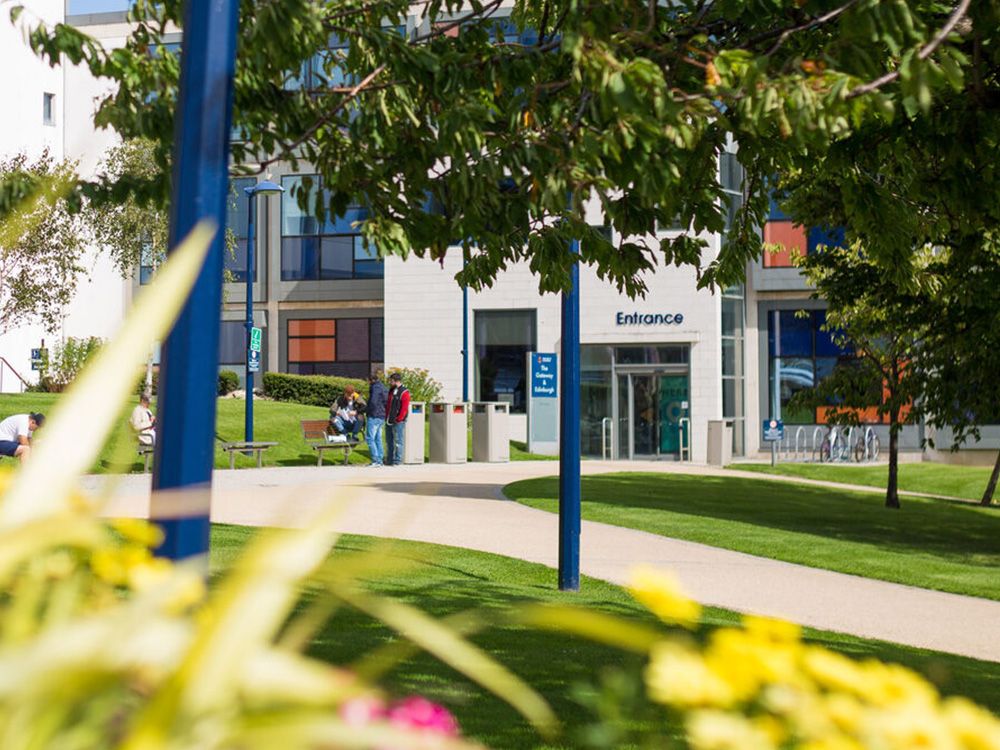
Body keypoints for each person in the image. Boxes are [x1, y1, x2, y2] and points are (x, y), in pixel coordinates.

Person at [385, 372, 411, 466]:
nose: (389, 382)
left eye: (391, 381)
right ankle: (390, 459)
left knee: (398, 441)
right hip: (389, 419)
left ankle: (397, 460)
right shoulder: (391, 390)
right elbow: (388, 405)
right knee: (389, 440)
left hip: (398, 421)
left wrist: (399, 419)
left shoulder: (404, 392)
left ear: (396, 381)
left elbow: (404, 408)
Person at [365, 371, 388, 467]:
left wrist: (368, 411)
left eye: (368, 381)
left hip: (374, 416)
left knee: (370, 438)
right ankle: (380, 460)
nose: (368, 383)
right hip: (382, 416)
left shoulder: (375, 388)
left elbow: (373, 402)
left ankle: (375, 460)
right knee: (378, 438)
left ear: (371, 380)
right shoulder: (383, 387)